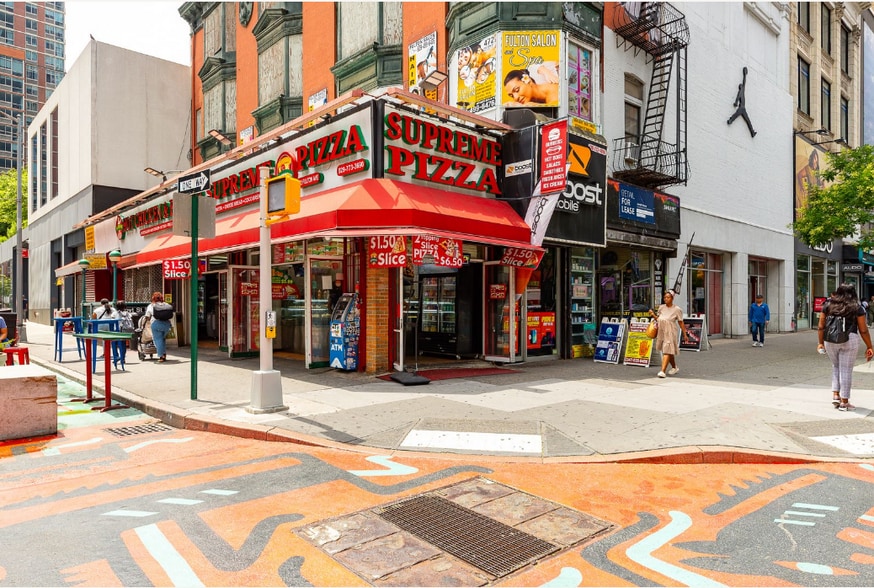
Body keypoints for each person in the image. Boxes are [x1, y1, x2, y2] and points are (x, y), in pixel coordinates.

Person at [817, 283, 874, 411]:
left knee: (836, 366)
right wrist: (869, 346)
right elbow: (863, 330)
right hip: (850, 339)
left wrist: (820, 343)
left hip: (830, 340)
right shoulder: (856, 307)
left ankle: (836, 395)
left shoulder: (828, 305)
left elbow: (821, 326)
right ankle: (844, 402)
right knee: (846, 369)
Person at [648, 291, 690, 378]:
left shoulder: (677, 309)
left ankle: (662, 371)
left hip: (671, 331)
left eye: (668, 297)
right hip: (662, 331)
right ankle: (674, 367)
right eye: (665, 297)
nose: (666, 299)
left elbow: (681, 322)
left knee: (667, 350)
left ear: (672, 298)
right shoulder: (661, 307)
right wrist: (653, 315)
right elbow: (658, 319)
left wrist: (685, 334)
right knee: (668, 350)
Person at [145, 291, 172, 363]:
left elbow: (147, 316)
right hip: (167, 325)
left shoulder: (151, 306)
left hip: (156, 324)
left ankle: (161, 356)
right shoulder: (166, 304)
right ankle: (164, 354)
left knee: (158, 340)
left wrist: (147, 320)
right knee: (162, 339)